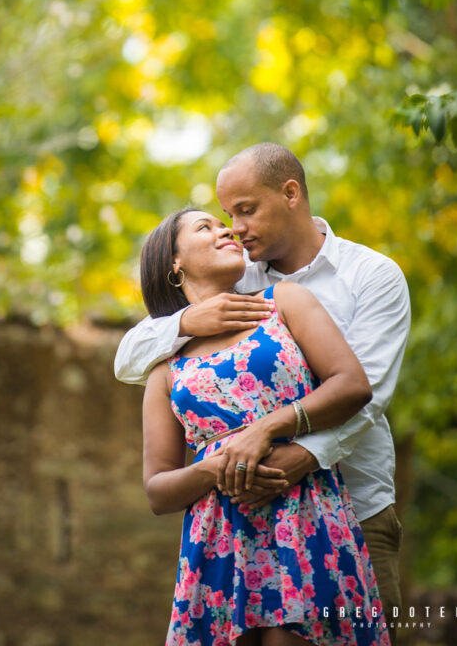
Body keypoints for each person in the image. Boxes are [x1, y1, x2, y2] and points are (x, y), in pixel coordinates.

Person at [116, 144, 410, 642]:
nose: (234, 227)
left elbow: (366, 393)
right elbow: (127, 359)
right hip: (232, 523)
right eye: (224, 215)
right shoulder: (239, 277)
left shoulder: (371, 276)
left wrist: (289, 455)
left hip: (352, 506)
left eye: (244, 211)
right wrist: (187, 320)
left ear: (290, 194)